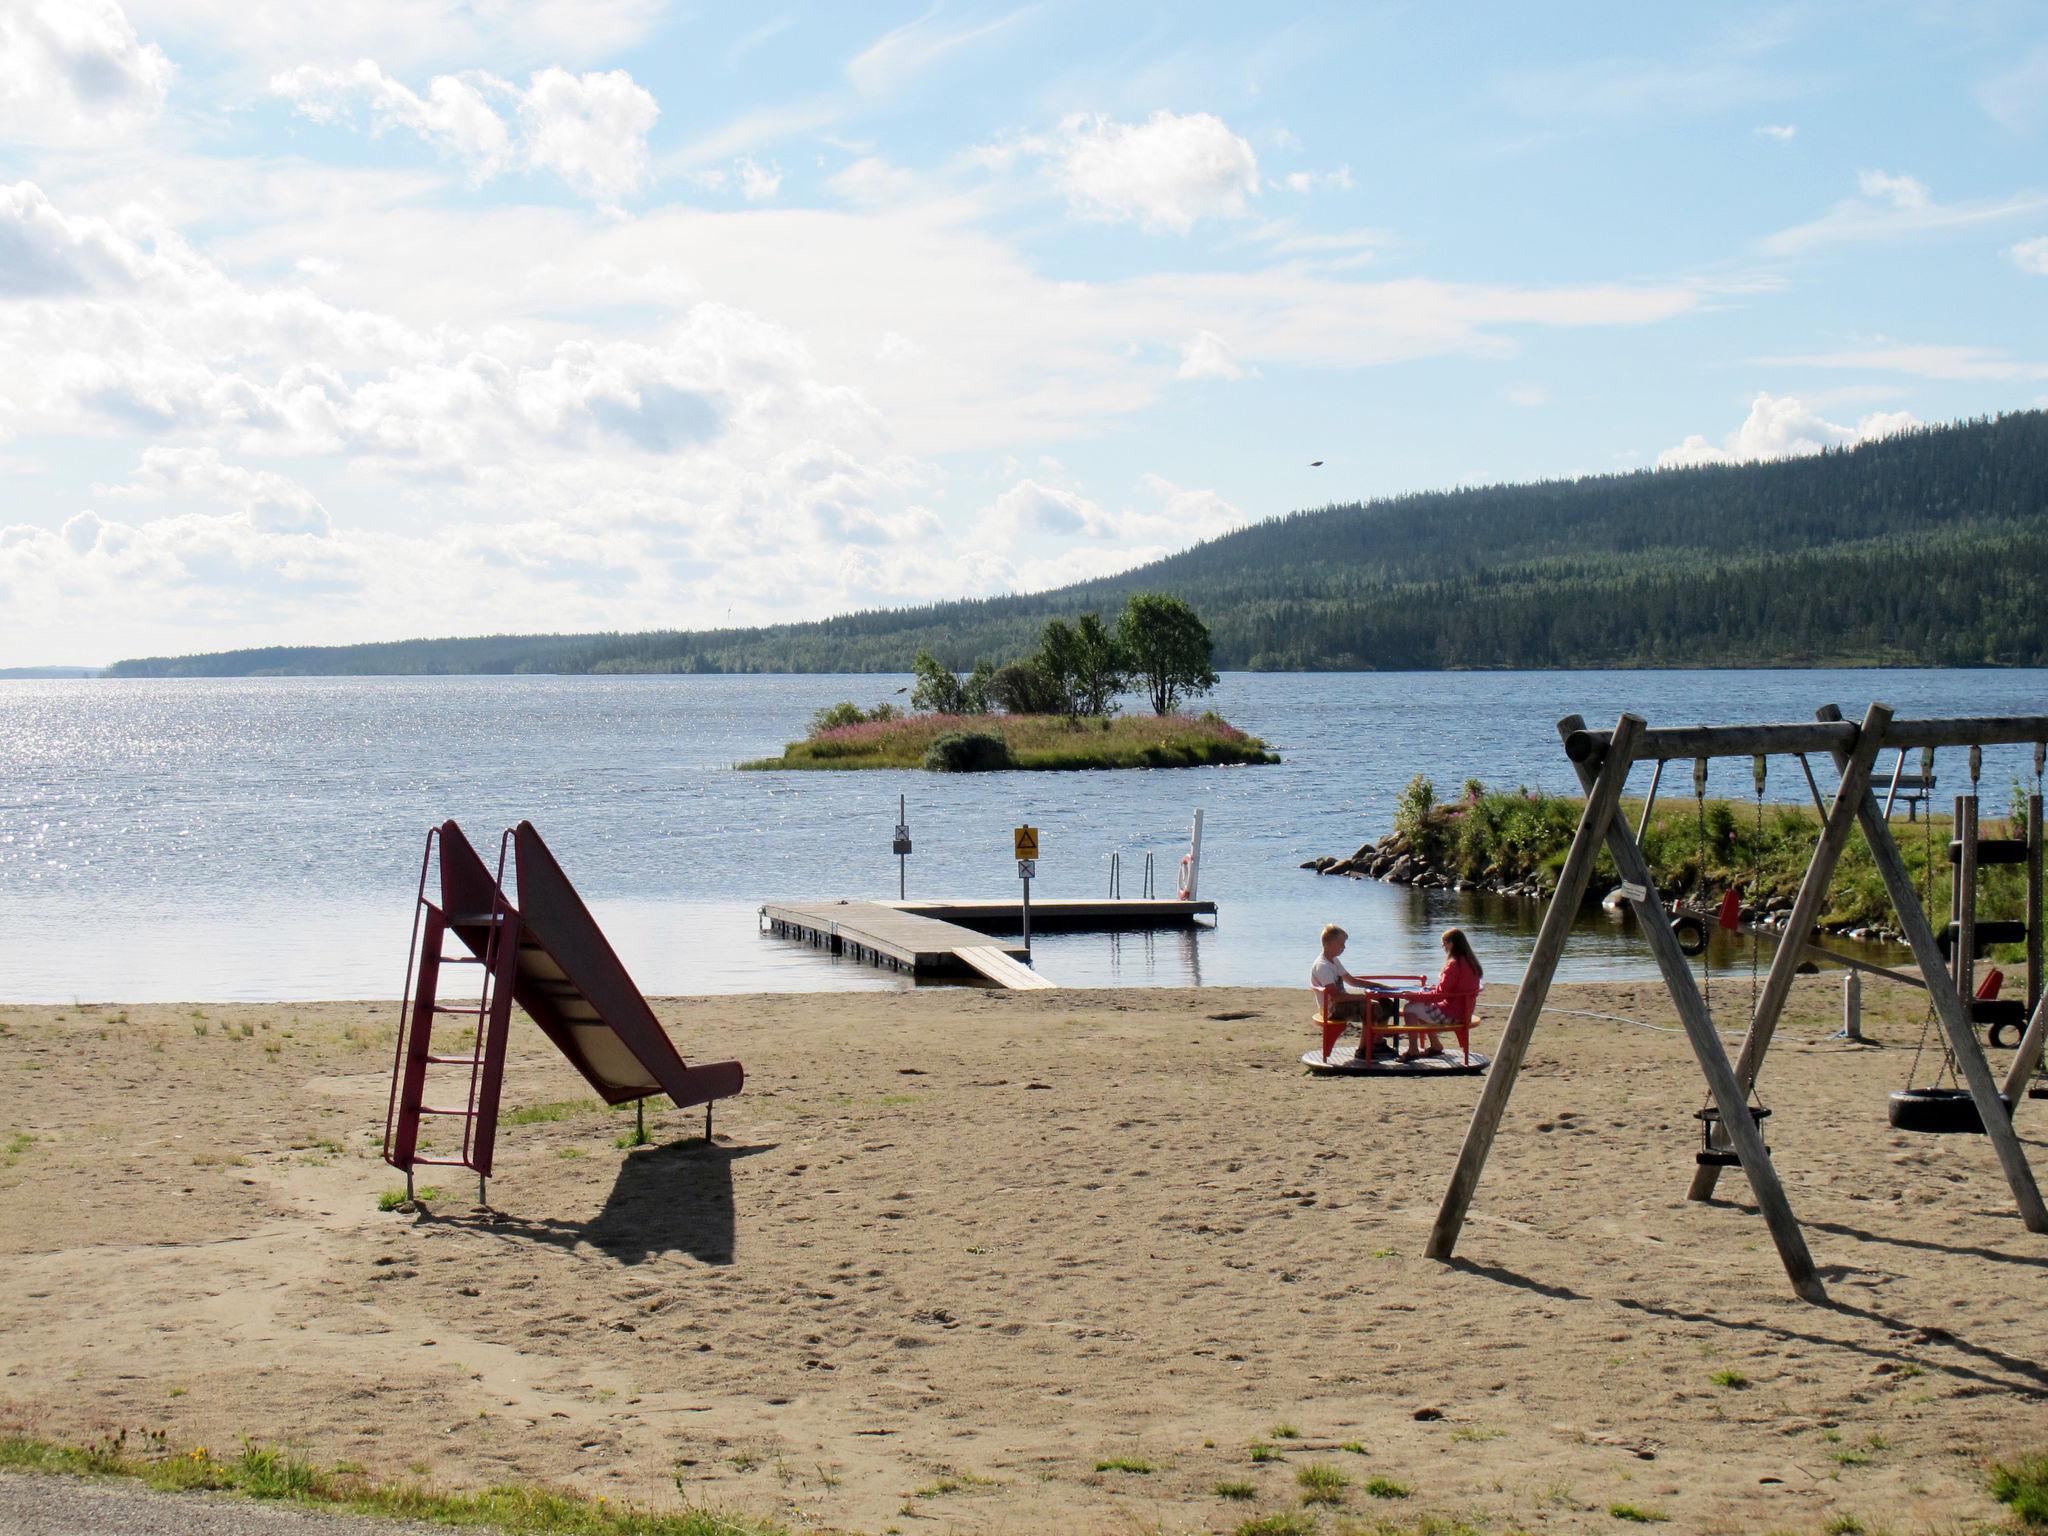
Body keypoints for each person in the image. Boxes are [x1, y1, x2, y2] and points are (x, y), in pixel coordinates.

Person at [1394, 928, 1483, 1060]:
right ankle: (1435, 1045)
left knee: (1410, 1008)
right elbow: (1451, 989)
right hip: (1464, 1011)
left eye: (1444, 943)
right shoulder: (1470, 962)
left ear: (1451, 943)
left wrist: (1413, 996)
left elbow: (1440, 995)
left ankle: (1413, 1049)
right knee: (1421, 1007)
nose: (1443, 947)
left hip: (1452, 1013)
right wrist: (1431, 990)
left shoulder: (1453, 965)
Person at [1310, 925, 1398, 1056]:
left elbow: (1352, 981)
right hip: (1331, 1009)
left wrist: (1379, 987)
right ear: (1330, 943)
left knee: (1387, 1004)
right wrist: (1365, 997)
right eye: (1341, 943)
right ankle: (1363, 1050)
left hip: (1339, 1003)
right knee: (1371, 1007)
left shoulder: (1334, 960)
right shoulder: (1323, 966)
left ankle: (1377, 1043)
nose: (1344, 947)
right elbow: (1336, 997)